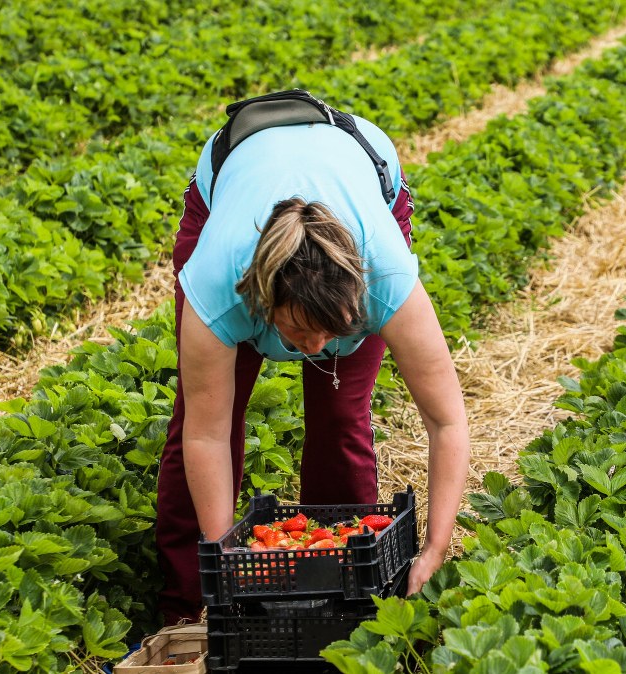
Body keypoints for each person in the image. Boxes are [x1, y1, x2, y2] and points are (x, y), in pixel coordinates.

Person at [155, 105, 470, 625]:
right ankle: (184, 607)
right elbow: (205, 438)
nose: (318, 347)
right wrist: (223, 564)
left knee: (340, 417)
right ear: (262, 301)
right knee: (203, 414)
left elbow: (447, 420)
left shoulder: (386, 276)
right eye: (300, 332)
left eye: (334, 330)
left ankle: (339, 594)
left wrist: (436, 546)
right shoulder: (217, 284)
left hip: (362, 169)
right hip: (229, 180)